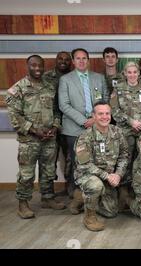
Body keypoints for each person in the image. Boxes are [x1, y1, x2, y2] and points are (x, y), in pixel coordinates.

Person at [6, 55, 66, 219]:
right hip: (30, 140)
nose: (37, 69)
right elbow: (14, 116)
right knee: (27, 174)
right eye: (34, 66)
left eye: (40, 66)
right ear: (28, 66)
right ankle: (23, 204)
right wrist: (33, 130)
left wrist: (54, 126)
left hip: (49, 138)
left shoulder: (49, 86)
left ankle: (47, 198)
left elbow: (56, 110)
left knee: (48, 170)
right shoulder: (18, 88)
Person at [59, 48, 108, 215]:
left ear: (88, 60)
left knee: (96, 160)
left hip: (97, 127)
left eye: (84, 58)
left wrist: (95, 119)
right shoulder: (65, 80)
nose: (81, 61)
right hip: (74, 128)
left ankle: (94, 195)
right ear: (73, 61)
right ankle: (76, 197)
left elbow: (105, 100)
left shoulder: (99, 78)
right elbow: (63, 104)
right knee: (76, 163)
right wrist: (83, 120)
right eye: (78, 59)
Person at [74, 101, 129, 231]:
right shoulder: (85, 137)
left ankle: (84, 198)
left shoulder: (117, 132)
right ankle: (89, 217)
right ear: (93, 116)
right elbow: (85, 164)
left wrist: (118, 174)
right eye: (100, 114)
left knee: (111, 212)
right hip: (88, 175)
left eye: (107, 113)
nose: (105, 117)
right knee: (95, 186)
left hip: (109, 176)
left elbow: (124, 155)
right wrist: (107, 176)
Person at [110, 62, 141, 211]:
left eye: (134, 72)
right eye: (129, 72)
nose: (132, 74)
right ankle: (124, 194)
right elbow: (114, 110)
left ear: (138, 73)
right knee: (125, 161)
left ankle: (140, 192)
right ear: (124, 73)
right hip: (125, 131)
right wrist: (131, 122)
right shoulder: (118, 89)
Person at [42, 51, 72, 196]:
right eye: (60, 58)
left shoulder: (74, 77)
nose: (63, 61)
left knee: (70, 157)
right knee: (49, 159)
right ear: (56, 60)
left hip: (68, 122)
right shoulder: (46, 77)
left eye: (67, 60)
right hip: (49, 124)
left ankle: (70, 187)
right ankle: (47, 194)